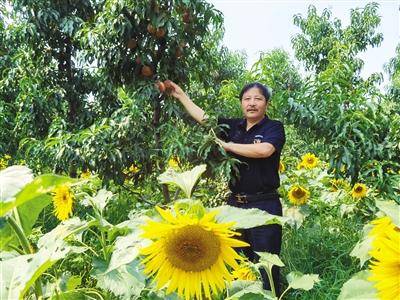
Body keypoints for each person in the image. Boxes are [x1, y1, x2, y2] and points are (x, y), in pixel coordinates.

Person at [169, 81, 285, 296]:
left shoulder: (274, 127)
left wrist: (228, 146)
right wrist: (181, 95)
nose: (252, 103)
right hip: (234, 205)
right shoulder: (232, 127)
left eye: (257, 99)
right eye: (247, 99)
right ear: (241, 103)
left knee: (267, 265)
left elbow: (264, 150)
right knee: (236, 262)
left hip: (264, 205)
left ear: (266, 104)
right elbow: (206, 119)